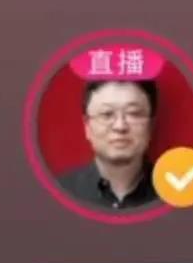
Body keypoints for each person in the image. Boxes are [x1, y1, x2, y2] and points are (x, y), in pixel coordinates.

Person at [59, 78, 160, 211]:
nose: (120, 126)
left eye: (134, 113)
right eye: (107, 114)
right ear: (87, 126)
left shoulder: (177, 193)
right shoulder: (58, 192)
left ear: (151, 125)